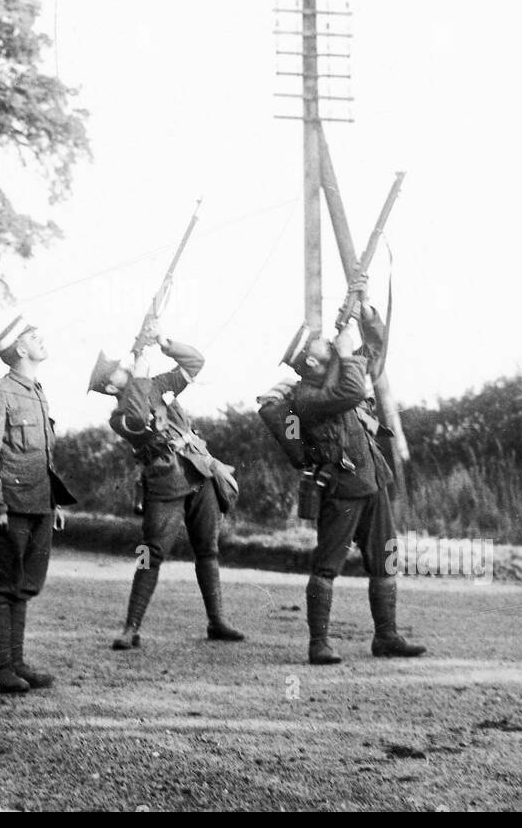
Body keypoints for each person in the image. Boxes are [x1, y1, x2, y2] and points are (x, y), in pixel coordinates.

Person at [269, 281, 426, 665]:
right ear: (310, 364)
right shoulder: (306, 398)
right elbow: (354, 391)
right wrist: (345, 351)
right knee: (327, 565)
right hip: (340, 487)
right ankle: (318, 643)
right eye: (323, 348)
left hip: (372, 480)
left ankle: (386, 636)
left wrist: (365, 312)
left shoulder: (337, 373)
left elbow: (374, 350)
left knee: (386, 558)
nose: (329, 345)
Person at [88, 324, 244, 651]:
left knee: (208, 550)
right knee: (151, 553)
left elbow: (195, 364)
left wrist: (165, 343)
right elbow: (139, 415)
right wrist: (142, 373)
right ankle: (131, 628)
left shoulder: (157, 384)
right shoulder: (119, 416)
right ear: (109, 385)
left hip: (199, 470)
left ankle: (217, 622)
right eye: (116, 370)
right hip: (165, 483)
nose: (123, 367)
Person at [0, 316, 77, 695]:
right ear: (19, 349)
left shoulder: (37, 391)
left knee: (25, 585)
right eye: (33, 336)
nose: (41, 339)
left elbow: (42, 456)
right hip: (10, 508)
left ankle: (15, 663)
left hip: (38, 505)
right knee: (1, 587)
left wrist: (53, 502)